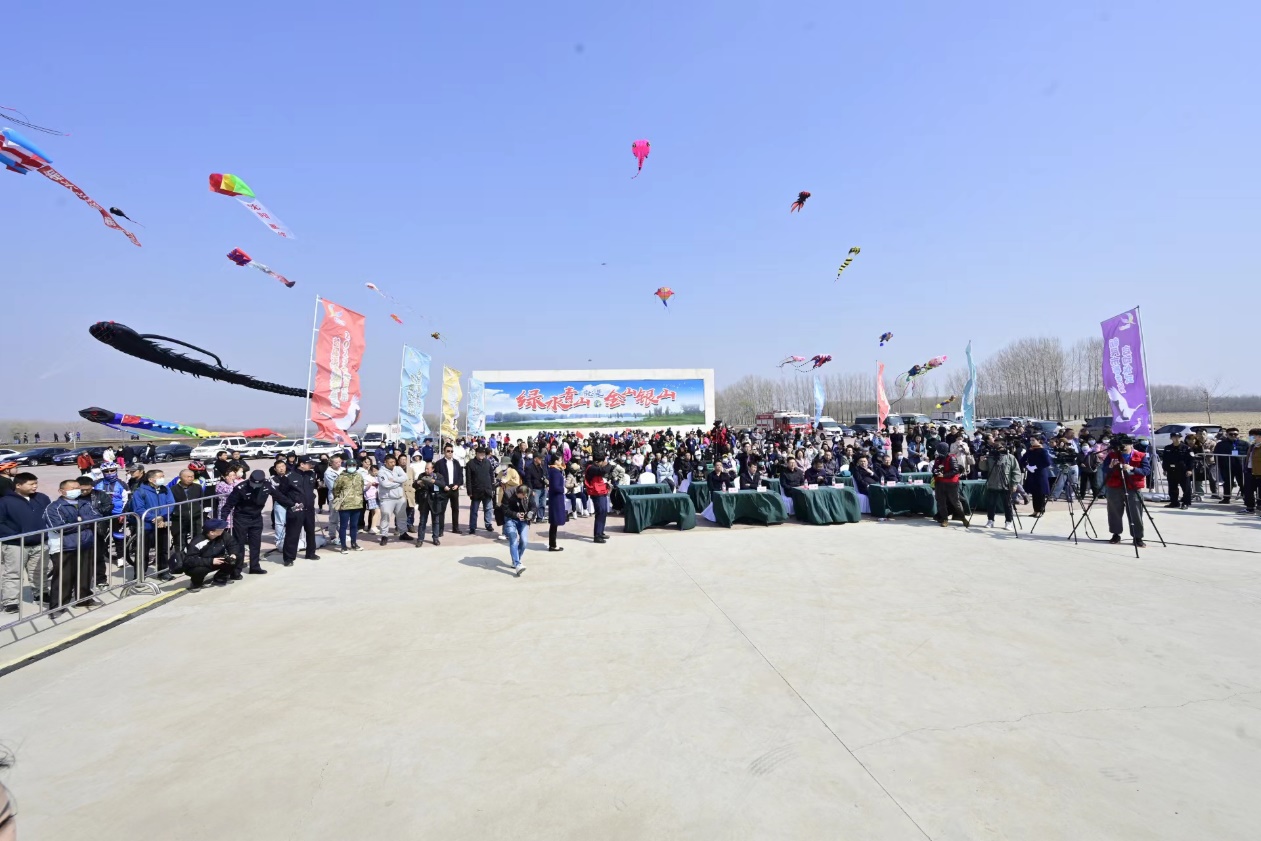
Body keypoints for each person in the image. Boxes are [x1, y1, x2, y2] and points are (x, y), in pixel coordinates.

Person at [44, 479, 102, 611]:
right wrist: (83, 523)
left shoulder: (84, 503)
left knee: (85, 574)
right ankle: (58, 606)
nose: (76, 490)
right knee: (64, 577)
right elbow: (58, 527)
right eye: (72, 488)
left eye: (77, 487)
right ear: (62, 491)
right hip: (65, 546)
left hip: (85, 542)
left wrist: (79, 521)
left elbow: (97, 516)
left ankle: (84, 599)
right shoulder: (54, 507)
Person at [0, 472, 50, 612]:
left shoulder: (42, 498)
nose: (35, 486)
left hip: (40, 542)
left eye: (36, 483)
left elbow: (49, 515)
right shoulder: (5, 501)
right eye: (31, 484)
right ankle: (11, 601)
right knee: (13, 573)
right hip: (15, 544)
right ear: (18, 485)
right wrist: (16, 535)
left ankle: (41, 593)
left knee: (39, 570)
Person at [1102, 434, 1151, 547]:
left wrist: (1133, 468)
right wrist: (1110, 466)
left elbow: (1146, 470)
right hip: (1115, 486)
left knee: (1135, 512)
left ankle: (1137, 537)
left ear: (1131, 445)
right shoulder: (1112, 455)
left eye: (1125, 444)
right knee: (1114, 512)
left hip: (1133, 487)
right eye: (1121, 444)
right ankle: (1115, 534)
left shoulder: (1140, 455)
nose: (1123, 446)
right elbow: (1104, 469)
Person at [221, 470, 271, 575]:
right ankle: (236, 570)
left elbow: (279, 497)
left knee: (255, 544)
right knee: (239, 544)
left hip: (256, 518)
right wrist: (222, 521)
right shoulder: (240, 488)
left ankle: (255, 567)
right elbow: (228, 505)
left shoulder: (267, 485)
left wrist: (292, 505)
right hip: (241, 518)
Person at [131, 469, 176, 578]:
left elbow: (171, 504)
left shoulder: (165, 489)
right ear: (151, 479)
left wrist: (162, 517)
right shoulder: (140, 491)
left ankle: (163, 572)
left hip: (162, 524)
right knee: (143, 552)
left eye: (163, 476)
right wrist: (154, 518)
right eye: (160, 477)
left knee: (163, 550)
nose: (163, 478)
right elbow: (139, 509)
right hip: (147, 526)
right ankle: (139, 575)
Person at [276, 457, 321, 566]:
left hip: (309, 508)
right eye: (309, 464)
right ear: (301, 464)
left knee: (310, 531)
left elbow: (312, 488)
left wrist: (312, 497)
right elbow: (280, 494)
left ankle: (310, 553)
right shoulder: (289, 476)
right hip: (296, 509)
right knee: (292, 533)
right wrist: (291, 504)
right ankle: (289, 558)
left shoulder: (311, 474)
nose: (311, 466)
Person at [183, 518, 241, 590]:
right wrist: (211, 561)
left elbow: (233, 545)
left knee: (236, 558)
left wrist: (233, 554)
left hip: (217, 559)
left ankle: (220, 578)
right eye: (220, 529)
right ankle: (196, 583)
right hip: (201, 564)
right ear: (212, 532)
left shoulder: (224, 535)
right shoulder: (197, 542)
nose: (223, 529)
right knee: (199, 570)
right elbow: (189, 560)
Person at [166, 468, 205, 569]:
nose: (190, 478)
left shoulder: (197, 487)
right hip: (179, 518)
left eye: (192, 476)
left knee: (197, 538)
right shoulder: (173, 489)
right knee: (179, 540)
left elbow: (201, 500)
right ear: (181, 478)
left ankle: (197, 558)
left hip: (195, 517)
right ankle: (180, 562)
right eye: (188, 477)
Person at [931, 442, 970, 528]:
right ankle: (945, 519)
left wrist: (944, 475)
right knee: (941, 502)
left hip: (951, 483)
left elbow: (955, 470)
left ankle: (962, 517)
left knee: (955, 502)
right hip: (939, 483)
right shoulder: (938, 459)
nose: (938, 451)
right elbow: (934, 469)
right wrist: (935, 472)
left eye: (939, 449)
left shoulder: (951, 458)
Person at [983, 443, 1020, 529]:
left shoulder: (1010, 457)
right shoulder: (990, 457)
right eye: (995, 448)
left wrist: (1014, 484)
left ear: (1004, 447)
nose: (997, 449)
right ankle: (990, 520)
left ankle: (1008, 521)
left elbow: (1016, 471)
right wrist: (982, 461)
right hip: (992, 483)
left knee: (1007, 504)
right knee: (991, 504)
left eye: (999, 447)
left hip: (1005, 484)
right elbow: (984, 468)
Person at [376, 454, 410, 545]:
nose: (393, 464)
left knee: (402, 516)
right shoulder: (381, 472)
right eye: (390, 462)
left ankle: (403, 533)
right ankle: (384, 535)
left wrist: (394, 480)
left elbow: (405, 477)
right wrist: (399, 482)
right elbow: (385, 484)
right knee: (385, 517)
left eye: (394, 462)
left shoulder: (398, 469)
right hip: (387, 499)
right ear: (385, 462)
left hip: (399, 497)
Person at [432, 443, 464, 540]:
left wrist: (457, 484)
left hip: (454, 488)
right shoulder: (439, 463)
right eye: (448, 451)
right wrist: (443, 486)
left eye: (451, 451)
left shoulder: (456, 463)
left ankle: (455, 527)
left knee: (455, 509)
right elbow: (436, 477)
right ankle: (440, 529)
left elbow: (460, 476)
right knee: (442, 510)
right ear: (444, 452)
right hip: (444, 489)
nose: (450, 453)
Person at [333, 463, 366, 553]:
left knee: (354, 526)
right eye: (349, 465)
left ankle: (354, 543)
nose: (352, 467)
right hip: (345, 505)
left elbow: (361, 487)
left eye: (353, 465)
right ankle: (343, 546)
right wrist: (340, 499)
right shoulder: (341, 477)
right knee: (343, 526)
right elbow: (336, 490)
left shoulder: (359, 476)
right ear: (346, 466)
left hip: (357, 504)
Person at [503, 484, 536, 576]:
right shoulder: (508, 494)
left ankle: (516, 559)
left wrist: (531, 513)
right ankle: (517, 564)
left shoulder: (529, 492)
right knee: (513, 540)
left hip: (523, 520)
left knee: (524, 541)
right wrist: (516, 514)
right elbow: (504, 510)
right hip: (510, 519)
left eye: (525, 496)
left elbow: (533, 506)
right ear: (518, 493)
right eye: (523, 496)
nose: (524, 497)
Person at [465, 447, 496, 534]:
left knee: (488, 509)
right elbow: (468, 479)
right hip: (476, 491)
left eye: (483, 454)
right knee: (474, 510)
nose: (482, 455)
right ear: (476, 453)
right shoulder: (470, 464)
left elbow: (491, 475)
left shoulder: (487, 462)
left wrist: (493, 488)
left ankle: (488, 524)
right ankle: (472, 527)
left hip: (487, 490)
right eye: (480, 453)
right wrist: (469, 491)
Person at [1215, 428, 1248, 505]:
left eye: (1235, 434)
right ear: (1227, 434)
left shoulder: (1244, 444)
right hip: (1226, 467)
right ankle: (1226, 498)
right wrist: (1219, 465)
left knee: (1242, 483)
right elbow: (1216, 455)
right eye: (1231, 434)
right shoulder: (1221, 444)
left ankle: (1246, 499)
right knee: (1227, 483)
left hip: (1240, 467)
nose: (1233, 435)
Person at [1161, 432, 1194, 510]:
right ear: (1171, 438)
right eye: (1174, 437)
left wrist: (1190, 469)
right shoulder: (1167, 448)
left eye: (1178, 437)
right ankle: (1174, 502)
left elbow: (1191, 460)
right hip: (1171, 470)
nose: (1176, 439)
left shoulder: (1186, 448)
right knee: (1172, 487)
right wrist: (1165, 469)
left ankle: (1186, 503)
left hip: (1183, 471)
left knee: (1186, 488)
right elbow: (1165, 460)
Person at [584, 451, 611, 544]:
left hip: (602, 491)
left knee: (604, 512)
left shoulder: (595, 467)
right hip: (596, 493)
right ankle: (597, 535)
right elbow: (603, 471)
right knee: (600, 512)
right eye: (602, 461)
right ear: (597, 461)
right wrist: (608, 464)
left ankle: (601, 532)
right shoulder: (591, 468)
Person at [1022, 438, 1053, 517]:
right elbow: (1022, 460)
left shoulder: (1043, 450)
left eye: (1033, 440)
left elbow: (1047, 462)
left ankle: (1040, 510)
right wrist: (1027, 466)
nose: (1031, 442)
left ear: (1038, 441)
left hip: (1040, 473)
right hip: (1032, 473)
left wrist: (1036, 467)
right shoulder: (1030, 450)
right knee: (1034, 493)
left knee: (1041, 493)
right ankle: (1035, 510)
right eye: (1031, 440)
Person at [411, 461, 438, 546]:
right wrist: (418, 483)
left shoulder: (437, 476)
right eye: (425, 468)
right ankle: (420, 539)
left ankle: (435, 538)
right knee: (422, 521)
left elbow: (441, 486)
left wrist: (433, 482)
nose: (426, 470)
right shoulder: (421, 475)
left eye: (428, 468)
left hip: (434, 501)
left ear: (433, 469)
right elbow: (414, 485)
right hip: (424, 501)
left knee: (436, 521)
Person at [546, 457, 567, 552]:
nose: (561, 462)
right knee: (554, 522)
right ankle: (552, 545)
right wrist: (563, 489)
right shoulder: (554, 471)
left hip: (557, 498)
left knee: (554, 523)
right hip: (556, 498)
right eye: (559, 460)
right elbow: (555, 486)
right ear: (555, 461)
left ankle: (553, 544)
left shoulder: (556, 470)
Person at [522, 453, 548, 524]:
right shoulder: (529, 468)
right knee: (535, 504)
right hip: (535, 489)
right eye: (540, 458)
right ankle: (531, 517)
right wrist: (531, 490)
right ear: (535, 459)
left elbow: (546, 474)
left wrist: (546, 482)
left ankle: (540, 518)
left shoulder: (542, 466)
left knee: (543, 504)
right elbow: (528, 480)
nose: (541, 460)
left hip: (543, 487)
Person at [1243, 428, 1261, 515]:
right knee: (1248, 490)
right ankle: (1250, 508)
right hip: (1250, 471)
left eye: (1252, 436)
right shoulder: (1252, 446)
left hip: (1259, 472)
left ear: (1259, 436)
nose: (1250, 437)